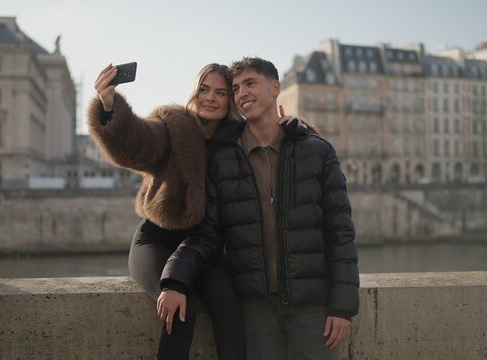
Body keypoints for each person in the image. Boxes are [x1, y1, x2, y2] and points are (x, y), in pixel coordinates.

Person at [159, 57, 360, 360]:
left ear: (276, 87)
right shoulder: (224, 160)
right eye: (236, 88)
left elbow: (340, 233)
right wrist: (175, 279)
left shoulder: (318, 152)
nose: (241, 93)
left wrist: (342, 307)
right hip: (254, 311)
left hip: (312, 308)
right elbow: (208, 235)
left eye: (250, 83)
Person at [87, 63, 247, 360]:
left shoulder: (239, 139)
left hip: (203, 245)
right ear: (195, 92)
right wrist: (109, 107)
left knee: (228, 302)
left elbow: (271, 141)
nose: (210, 97)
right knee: (179, 304)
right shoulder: (174, 125)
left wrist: (291, 128)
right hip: (156, 240)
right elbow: (138, 142)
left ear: (231, 100)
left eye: (221, 92)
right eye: (204, 89)